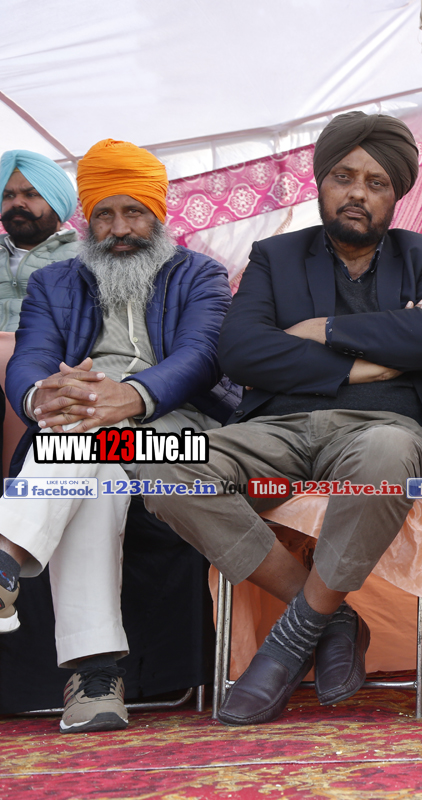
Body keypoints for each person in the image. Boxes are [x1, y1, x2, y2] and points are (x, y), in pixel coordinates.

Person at [145, 112, 422, 726]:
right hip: (277, 429)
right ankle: (327, 615)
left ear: (397, 194)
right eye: (344, 177)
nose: (358, 192)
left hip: (388, 431)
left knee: (384, 456)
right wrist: (365, 365)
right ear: (321, 182)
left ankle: (290, 642)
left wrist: (324, 329)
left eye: (376, 182)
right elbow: (241, 351)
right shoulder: (275, 256)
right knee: (160, 464)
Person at [0, 139, 238, 733]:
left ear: (159, 213)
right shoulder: (54, 283)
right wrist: (42, 396)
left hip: (186, 444)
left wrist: (127, 398)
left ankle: (11, 561)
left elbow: (202, 356)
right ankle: (96, 680)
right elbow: (29, 361)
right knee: (96, 465)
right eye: (104, 214)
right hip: (83, 441)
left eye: (134, 212)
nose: (119, 228)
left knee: (84, 439)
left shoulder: (200, 274)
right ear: (87, 219)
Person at [1, 150, 80, 332]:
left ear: (58, 204)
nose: (17, 203)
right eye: (8, 195)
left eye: (31, 194)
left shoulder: (86, 259)